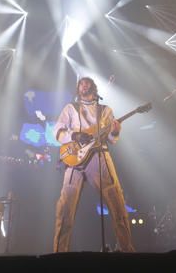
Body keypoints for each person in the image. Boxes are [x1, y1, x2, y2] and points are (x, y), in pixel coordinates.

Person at [52, 76, 135, 252]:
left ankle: (126, 250)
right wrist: (74, 136)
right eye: (81, 83)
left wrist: (115, 131)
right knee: (65, 209)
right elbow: (57, 131)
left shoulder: (105, 110)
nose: (84, 84)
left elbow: (112, 139)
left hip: (99, 157)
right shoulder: (70, 108)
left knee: (117, 204)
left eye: (87, 82)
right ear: (78, 88)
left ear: (93, 87)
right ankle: (59, 253)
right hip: (74, 161)